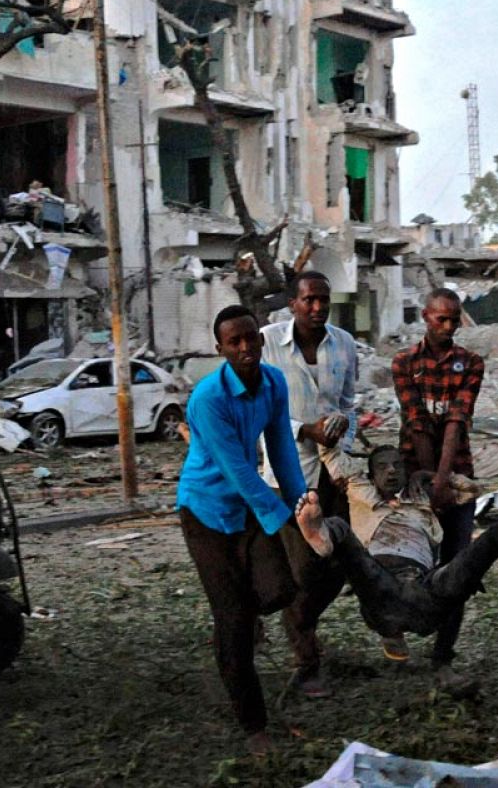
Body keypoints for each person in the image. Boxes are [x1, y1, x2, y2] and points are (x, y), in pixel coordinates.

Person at [292, 445, 498, 644]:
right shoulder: (358, 490)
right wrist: (326, 428)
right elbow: (330, 454)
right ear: (370, 474)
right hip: (379, 587)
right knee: (340, 529)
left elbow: (471, 490)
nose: (391, 471)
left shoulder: (422, 497)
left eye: (398, 465)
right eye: (383, 466)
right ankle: (322, 539)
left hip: (426, 589)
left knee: (489, 543)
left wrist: (435, 478)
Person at [175, 305, 308, 755]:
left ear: (261, 339)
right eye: (235, 342)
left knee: (280, 590)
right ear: (221, 350)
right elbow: (237, 471)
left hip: (249, 505)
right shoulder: (208, 398)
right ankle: (254, 726)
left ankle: (236, 624)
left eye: (251, 338)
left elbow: (281, 447)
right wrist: (281, 515)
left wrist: (301, 501)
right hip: (206, 512)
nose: (246, 348)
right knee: (233, 619)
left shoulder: (273, 382)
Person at [260, 270, 366, 698]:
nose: (317, 307)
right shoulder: (266, 342)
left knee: (338, 563)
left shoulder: (343, 343)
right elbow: (256, 410)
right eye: (309, 300)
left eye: (323, 299)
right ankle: (307, 662)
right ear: (293, 304)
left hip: (334, 475)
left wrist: (344, 433)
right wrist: (305, 430)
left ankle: (301, 629)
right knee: (302, 570)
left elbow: (349, 404)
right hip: (287, 474)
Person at [388, 288, 485, 680]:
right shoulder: (403, 363)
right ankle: (396, 630)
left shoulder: (471, 363)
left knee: (457, 568)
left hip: (457, 477)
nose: (447, 327)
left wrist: (443, 484)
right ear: (425, 317)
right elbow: (417, 423)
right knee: (404, 563)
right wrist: (429, 487)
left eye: (453, 319)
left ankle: (443, 657)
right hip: (412, 480)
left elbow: (454, 424)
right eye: (439, 319)